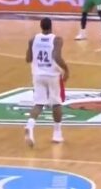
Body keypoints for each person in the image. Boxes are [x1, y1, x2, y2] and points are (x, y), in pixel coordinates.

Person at [24, 17, 69, 147]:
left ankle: (30, 125)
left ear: (41, 26)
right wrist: (66, 69)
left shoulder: (33, 39)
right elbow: (56, 57)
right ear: (51, 26)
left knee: (38, 103)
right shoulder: (57, 40)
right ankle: (57, 134)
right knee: (56, 103)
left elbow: (28, 59)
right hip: (52, 75)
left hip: (38, 75)